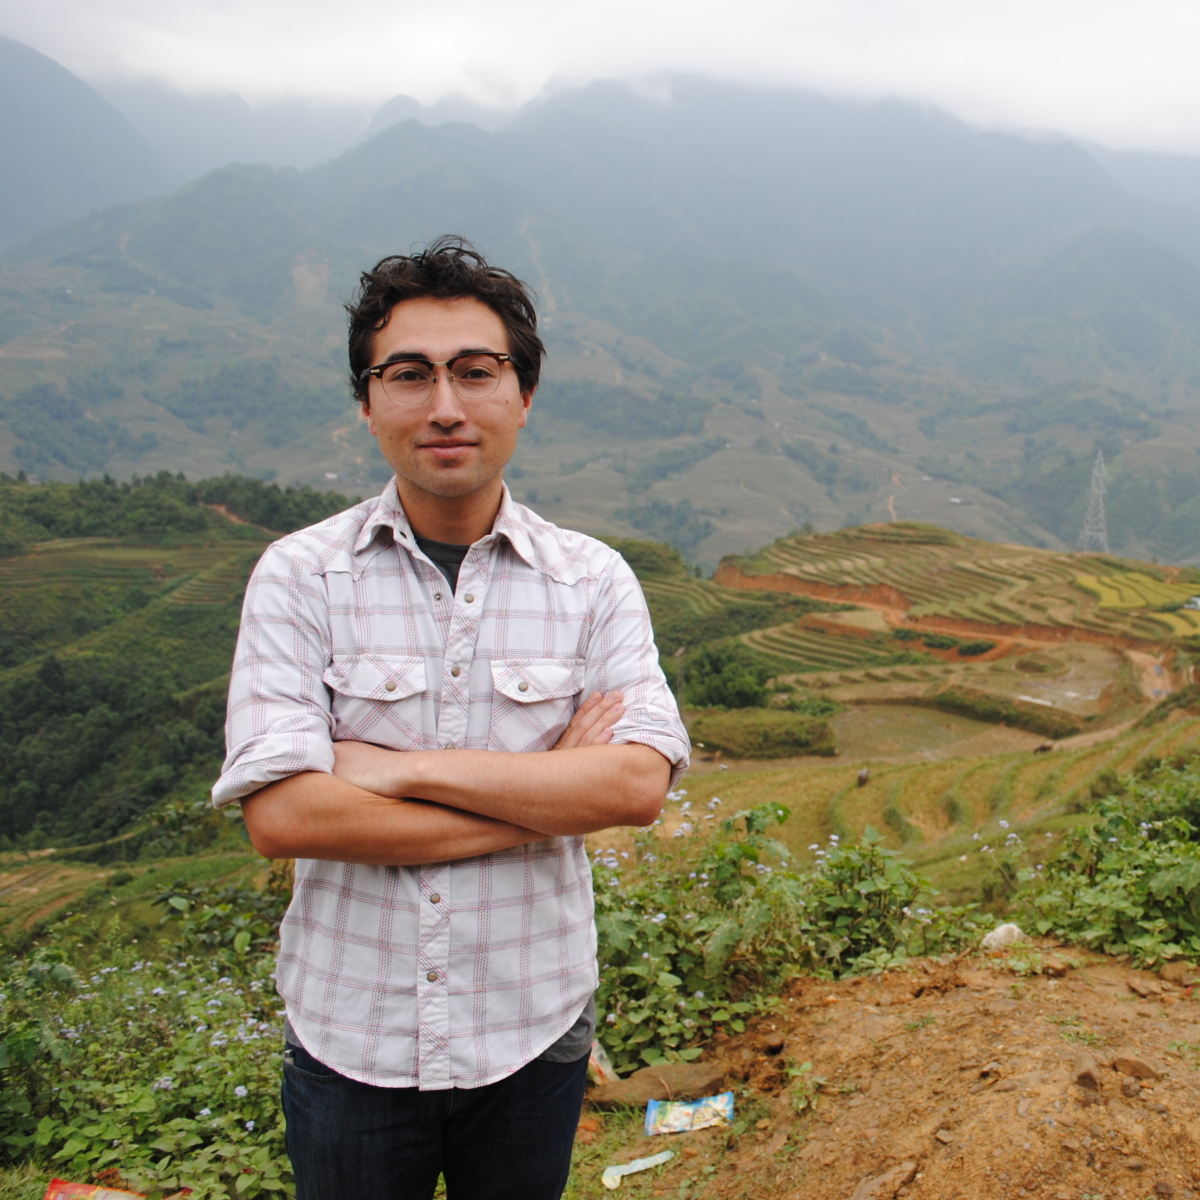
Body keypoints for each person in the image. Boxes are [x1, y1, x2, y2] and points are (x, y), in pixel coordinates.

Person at [212, 235, 689, 1200]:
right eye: (409, 375)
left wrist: (395, 768)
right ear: (366, 401)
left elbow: (637, 786)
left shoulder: (592, 580)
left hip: (532, 1032)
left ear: (524, 394)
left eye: (476, 372)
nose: (444, 405)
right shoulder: (301, 575)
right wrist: (547, 798)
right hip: (351, 1038)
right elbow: (284, 815)